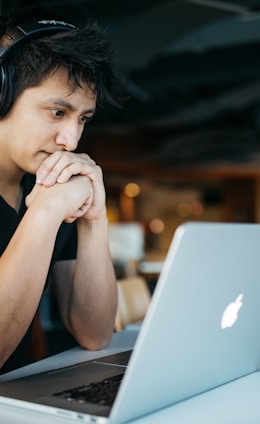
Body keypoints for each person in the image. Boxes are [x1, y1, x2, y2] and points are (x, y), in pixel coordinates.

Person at [0, 7, 122, 373]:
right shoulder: (52, 197)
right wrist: (45, 212)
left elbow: (95, 333)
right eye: (57, 112)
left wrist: (93, 219)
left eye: (83, 118)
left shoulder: (51, 184)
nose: (70, 140)